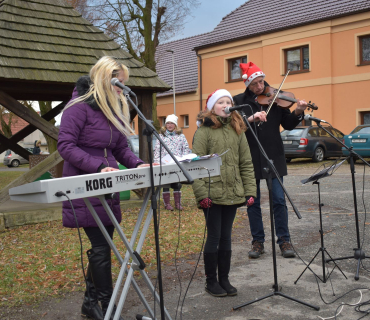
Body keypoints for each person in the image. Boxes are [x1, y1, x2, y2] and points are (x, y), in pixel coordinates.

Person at [58, 56, 152, 320]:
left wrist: (137, 164)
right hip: (86, 185)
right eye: (117, 82)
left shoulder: (113, 109)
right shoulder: (77, 108)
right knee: (100, 246)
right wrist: (98, 166)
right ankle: (105, 304)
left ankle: (91, 303)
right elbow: (65, 146)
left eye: (123, 83)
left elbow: (121, 148)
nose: (121, 88)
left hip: (108, 187)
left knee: (105, 245)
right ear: (102, 78)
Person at [233, 62, 308, 259]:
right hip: (249, 157)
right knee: (253, 201)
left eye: (261, 82)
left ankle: (284, 239)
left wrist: (298, 111)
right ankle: (258, 241)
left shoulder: (276, 97)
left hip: (274, 155)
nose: (260, 86)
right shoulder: (240, 101)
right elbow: (236, 126)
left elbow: (289, 124)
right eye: (255, 84)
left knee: (279, 200)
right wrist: (252, 117)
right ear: (248, 85)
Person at [192, 89, 256, 297]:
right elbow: (196, 165)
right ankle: (211, 282)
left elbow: (246, 163)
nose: (226, 104)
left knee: (226, 237)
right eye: (221, 102)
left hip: (232, 191)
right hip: (211, 193)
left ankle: (224, 279)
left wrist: (249, 190)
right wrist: (202, 195)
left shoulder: (239, 130)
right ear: (212, 107)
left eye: (228, 101)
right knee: (214, 236)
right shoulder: (204, 131)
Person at [153, 114, 191, 210]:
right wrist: (157, 162)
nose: (169, 125)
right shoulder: (161, 136)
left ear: (175, 125)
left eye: (172, 123)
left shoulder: (181, 136)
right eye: (168, 123)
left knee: (177, 182)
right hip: (165, 163)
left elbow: (185, 148)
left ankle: (178, 203)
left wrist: (184, 158)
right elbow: (157, 150)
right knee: (166, 183)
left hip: (177, 162)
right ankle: (167, 204)